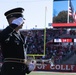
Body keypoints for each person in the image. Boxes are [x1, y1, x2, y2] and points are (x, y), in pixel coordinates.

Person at [0, 7, 36, 75]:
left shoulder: (20, 35)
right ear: (12, 20)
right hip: (10, 70)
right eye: (20, 19)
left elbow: (20, 57)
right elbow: (2, 37)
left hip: (20, 70)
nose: (23, 22)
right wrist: (13, 25)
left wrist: (27, 69)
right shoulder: (7, 33)